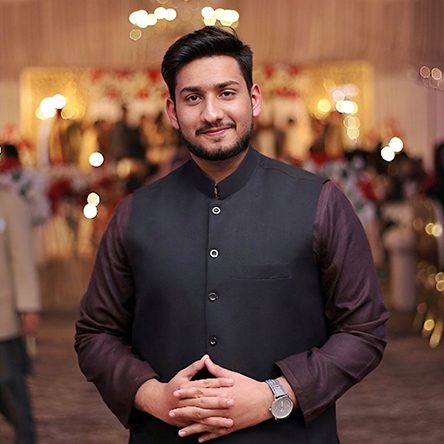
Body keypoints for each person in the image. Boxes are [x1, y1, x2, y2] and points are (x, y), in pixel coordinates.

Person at [75, 26, 388, 443]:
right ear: (172, 111)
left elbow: (364, 329)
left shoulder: (321, 203)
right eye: (193, 98)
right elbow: (95, 333)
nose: (211, 114)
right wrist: (153, 396)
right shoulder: (134, 213)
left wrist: (276, 394)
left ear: (253, 99)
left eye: (226, 93)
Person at [0, 185, 41, 444]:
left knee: (10, 389)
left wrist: (28, 305)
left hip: (2, 321)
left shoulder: (8, 202)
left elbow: (22, 257)